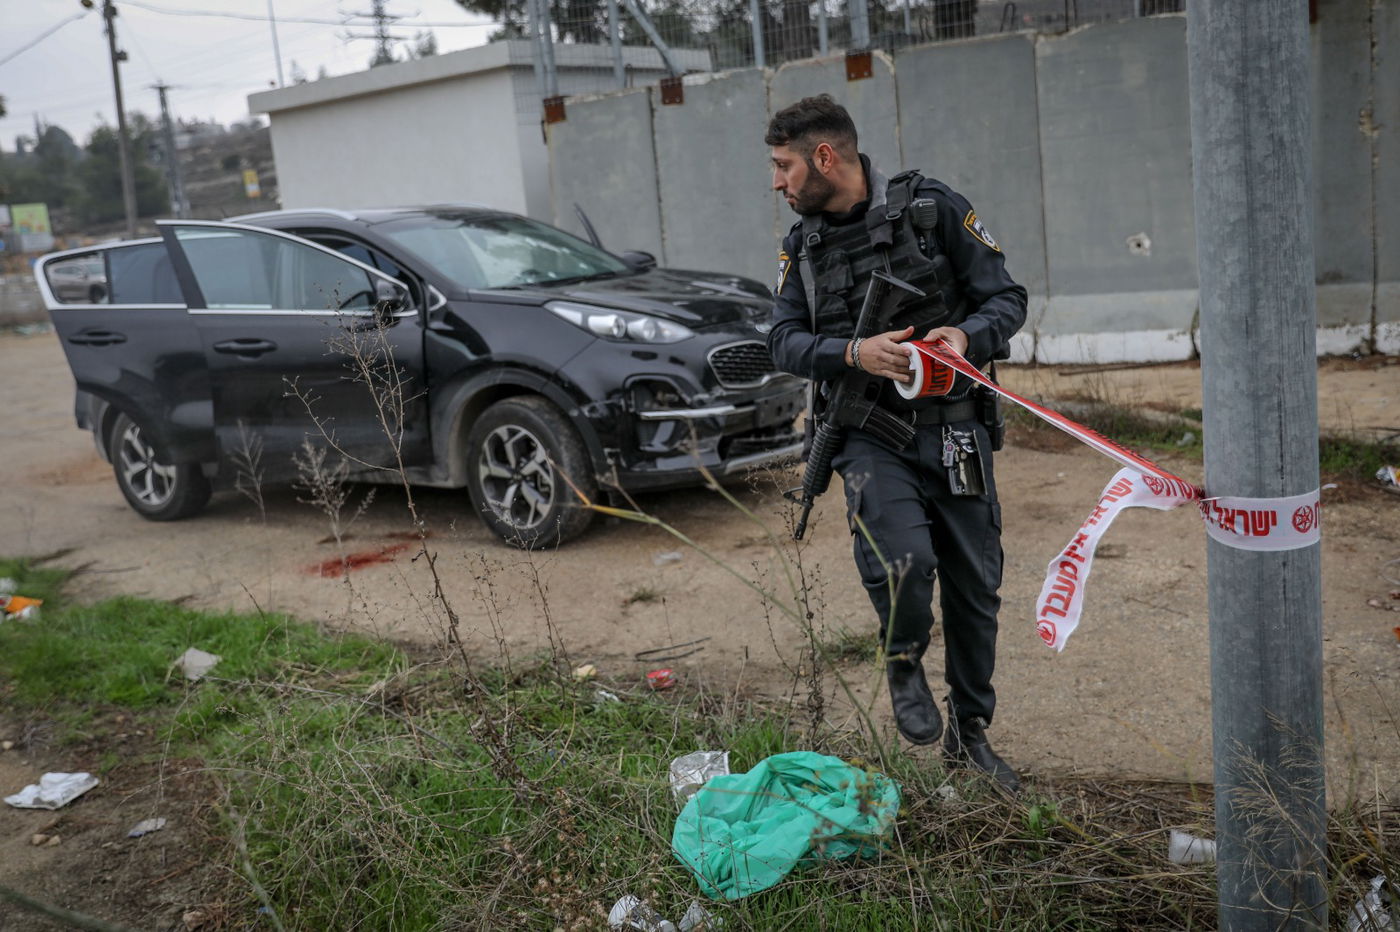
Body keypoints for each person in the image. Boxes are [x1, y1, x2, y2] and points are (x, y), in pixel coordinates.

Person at [765, 95, 1027, 791]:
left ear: (825, 157)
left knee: (974, 588)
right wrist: (853, 353)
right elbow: (782, 339)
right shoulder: (805, 246)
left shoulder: (933, 210)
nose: (777, 183)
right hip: (867, 436)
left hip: (957, 431)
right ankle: (903, 661)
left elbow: (1007, 297)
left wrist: (966, 336)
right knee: (905, 560)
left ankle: (970, 736)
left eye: (783, 166)